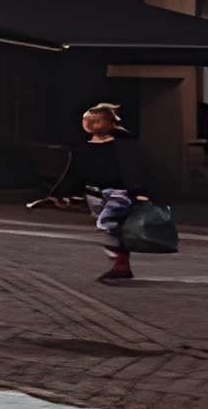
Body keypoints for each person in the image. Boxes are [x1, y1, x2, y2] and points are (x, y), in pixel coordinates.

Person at [36, 102, 157, 284]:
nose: (92, 125)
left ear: (109, 123)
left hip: (118, 193)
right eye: (89, 121)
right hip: (94, 194)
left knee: (108, 224)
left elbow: (132, 169)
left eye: (98, 121)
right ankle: (121, 264)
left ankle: (120, 263)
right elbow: (73, 172)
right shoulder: (82, 149)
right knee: (113, 230)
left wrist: (139, 192)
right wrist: (59, 193)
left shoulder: (122, 146)